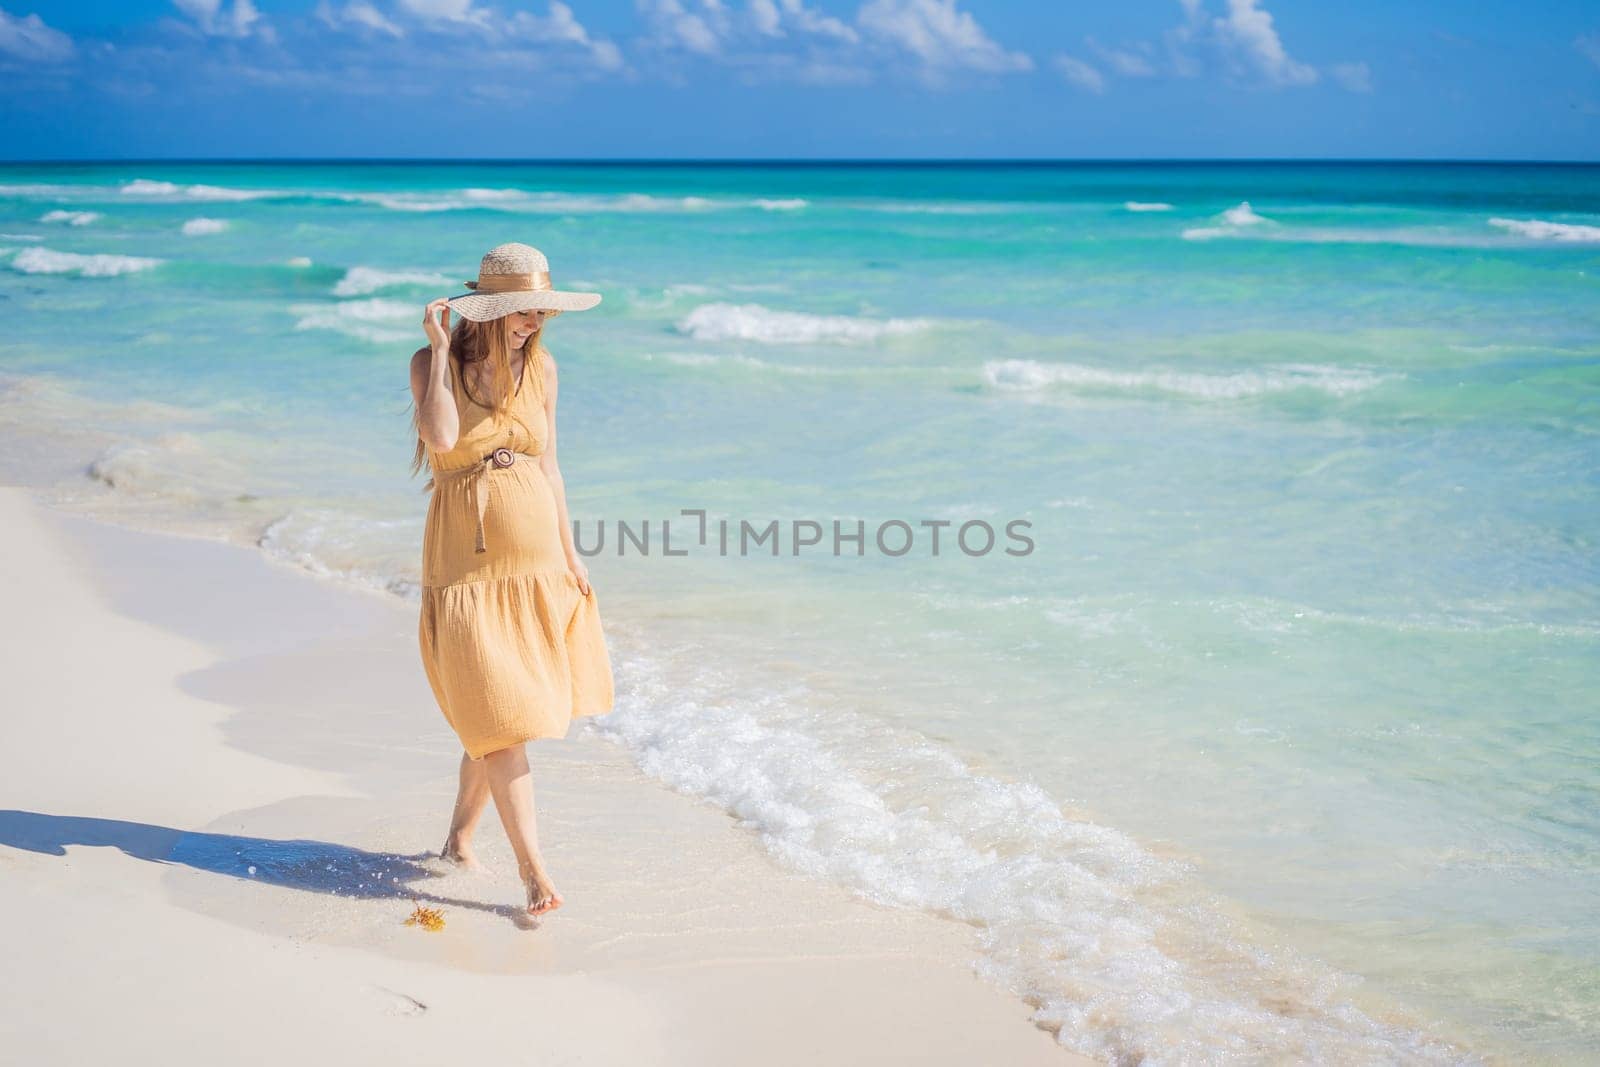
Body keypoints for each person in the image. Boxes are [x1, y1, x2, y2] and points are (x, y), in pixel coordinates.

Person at [407, 242, 615, 917]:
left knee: (497, 714)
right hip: (466, 569)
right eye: (525, 311)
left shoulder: (543, 368)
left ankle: (460, 839)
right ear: (491, 310)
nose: (535, 322)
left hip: (534, 567)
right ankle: (534, 871)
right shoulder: (430, 365)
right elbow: (441, 440)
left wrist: (572, 554)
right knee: (499, 714)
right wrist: (440, 351)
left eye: (541, 311)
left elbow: (551, 466)